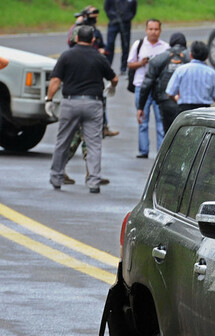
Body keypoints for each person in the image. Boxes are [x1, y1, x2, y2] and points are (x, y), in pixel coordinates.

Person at [46, 25, 118, 193]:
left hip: (71, 102)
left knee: (62, 141)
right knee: (93, 144)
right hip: (93, 103)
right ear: (93, 40)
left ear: (76, 38)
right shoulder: (98, 57)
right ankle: (93, 182)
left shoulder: (66, 56)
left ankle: (56, 177)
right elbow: (114, 78)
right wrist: (111, 86)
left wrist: (49, 99)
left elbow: (56, 81)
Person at [69, 7, 118, 138]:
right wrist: (78, 24)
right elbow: (71, 43)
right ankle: (80, 129)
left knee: (100, 97)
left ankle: (103, 126)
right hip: (80, 68)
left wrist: (101, 51)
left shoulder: (96, 32)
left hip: (94, 67)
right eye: (93, 16)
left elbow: (103, 46)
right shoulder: (78, 29)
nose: (95, 19)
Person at [127, 19, 169, 159]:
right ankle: (143, 150)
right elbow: (130, 64)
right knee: (142, 120)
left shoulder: (165, 47)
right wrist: (141, 63)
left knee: (160, 121)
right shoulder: (139, 45)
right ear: (146, 30)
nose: (153, 32)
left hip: (158, 88)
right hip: (141, 86)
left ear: (160, 31)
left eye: (156, 29)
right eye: (150, 29)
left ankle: (161, 152)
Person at [138, 32, 189, 134]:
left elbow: (147, 84)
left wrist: (141, 107)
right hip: (188, 103)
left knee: (169, 134)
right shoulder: (191, 58)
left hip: (166, 101)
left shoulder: (159, 59)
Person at [165, 41, 215, 113]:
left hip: (184, 109)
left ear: (191, 55)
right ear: (207, 57)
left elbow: (170, 93)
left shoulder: (181, 70)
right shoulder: (212, 73)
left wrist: (177, 99)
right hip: (205, 111)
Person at [104, 0, 137, 75]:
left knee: (125, 45)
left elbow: (133, 10)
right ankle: (107, 66)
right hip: (113, 22)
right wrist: (112, 17)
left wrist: (128, 17)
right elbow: (107, 8)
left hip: (125, 23)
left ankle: (123, 67)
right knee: (110, 44)